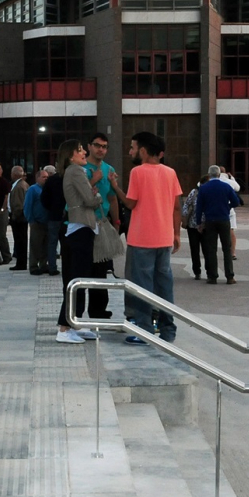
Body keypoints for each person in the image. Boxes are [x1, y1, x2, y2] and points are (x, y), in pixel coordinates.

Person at [106, 131, 181, 344]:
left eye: (133, 147)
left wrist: (115, 187)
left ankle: (145, 330)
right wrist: (176, 233)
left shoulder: (138, 172)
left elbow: (130, 203)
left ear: (143, 150)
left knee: (141, 287)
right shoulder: (170, 172)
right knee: (164, 285)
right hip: (164, 237)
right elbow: (176, 207)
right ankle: (168, 330)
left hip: (141, 239)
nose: (131, 151)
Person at [54, 140, 101, 344]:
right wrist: (97, 195)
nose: (84, 153)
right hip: (81, 228)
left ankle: (74, 322)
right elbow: (90, 201)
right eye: (80, 150)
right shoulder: (76, 171)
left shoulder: (72, 171)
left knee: (78, 278)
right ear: (70, 156)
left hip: (78, 228)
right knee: (77, 279)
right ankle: (65, 328)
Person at [84, 132, 119, 318]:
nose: (101, 150)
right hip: (83, 225)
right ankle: (76, 313)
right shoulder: (80, 168)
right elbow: (74, 196)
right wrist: (93, 180)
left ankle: (98, 310)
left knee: (101, 269)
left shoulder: (109, 169)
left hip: (102, 225)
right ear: (89, 146)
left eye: (104, 147)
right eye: (97, 145)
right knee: (83, 269)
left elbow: (112, 199)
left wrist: (117, 223)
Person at [195, 165, 241, 285]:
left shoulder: (204, 188)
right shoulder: (226, 186)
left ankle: (212, 276)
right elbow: (236, 201)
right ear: (219, 174)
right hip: (224, 219)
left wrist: (199, 222)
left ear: (209, 175)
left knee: (211, 249)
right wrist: (227, 208)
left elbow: (199, 207)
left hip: (210, 220)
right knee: (227, 248)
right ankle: (230, 276)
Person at [181, 176, 209, 279]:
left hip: (206, 226)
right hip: (192, 226)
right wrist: (184, 218)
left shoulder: (209, 192)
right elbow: (186, 205)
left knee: (207, 249)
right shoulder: (194, 192)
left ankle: (209, 270)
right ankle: (197, 271)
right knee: (194, 249)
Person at [24, 167, 51, 274]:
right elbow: (27, 206)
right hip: (36, 222)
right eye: (43, 177)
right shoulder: (33, 189)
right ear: (37, 178)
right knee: (35, 245)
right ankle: (33, 266)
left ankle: (44, 264)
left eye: (47, 177)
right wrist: (31, 220)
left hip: (47, 222)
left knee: (45, 245)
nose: (46, 179)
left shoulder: (47, 189)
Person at [40, 164, 65, 276]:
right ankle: (67, 266)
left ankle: (52, 267)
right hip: (66, 215)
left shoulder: (50, 181)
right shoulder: (66, 178)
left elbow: (44, 198)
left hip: (53, 215)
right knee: (65, 243)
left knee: (52, 243)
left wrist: (50, 208)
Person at [7, 165, 29, 271]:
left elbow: (19, 204)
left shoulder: (20, 186)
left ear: (14, 174)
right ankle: (20, 262)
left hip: (19, 218)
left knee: (20, 241)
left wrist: (15, 215)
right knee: (19, 241)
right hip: (17, 217)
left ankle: (21, 263)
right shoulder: (18, 185)